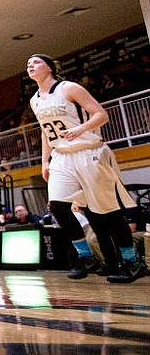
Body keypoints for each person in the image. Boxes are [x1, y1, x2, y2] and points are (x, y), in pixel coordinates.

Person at [26, 54, 145, 283]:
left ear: (49, 67)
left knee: (108, 212)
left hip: (88, 151)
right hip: (61, 155)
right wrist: (44, 161)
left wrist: (80, 129)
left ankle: (131, 262)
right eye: (28, 64)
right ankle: (85, 256)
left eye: (36, 62)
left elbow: (101, 115)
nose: (30, 66)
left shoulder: (68, 88)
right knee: (58, 207)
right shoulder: (35, 100)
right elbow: (44, 130)